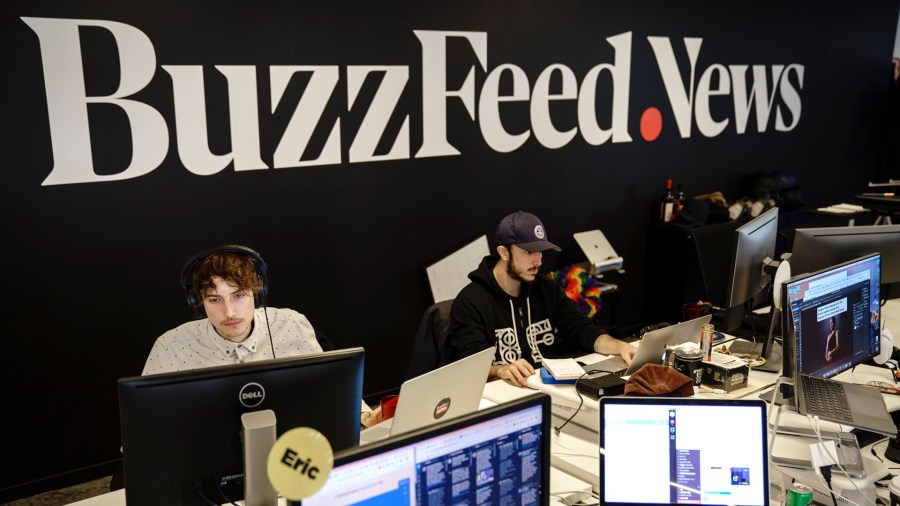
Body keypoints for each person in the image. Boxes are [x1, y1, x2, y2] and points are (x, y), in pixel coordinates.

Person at [142, 245, 382, 427]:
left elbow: (329, 388)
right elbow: (145, 427)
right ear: (198, 302)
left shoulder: (291, 324)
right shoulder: (170, 347)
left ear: (257, 293)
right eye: (214, 300)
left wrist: (363, 416)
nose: (229, 312)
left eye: (239, 295)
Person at [446, 212, 636, 387]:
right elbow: (470, 365)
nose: (538, 261)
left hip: (548, 387)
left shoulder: (546, 288)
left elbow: (581, 329)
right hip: (502, 395)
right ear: (504, 253)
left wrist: (620, 346)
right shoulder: (470, 302)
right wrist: (502, 370)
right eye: (528, 252)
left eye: (540, 251)